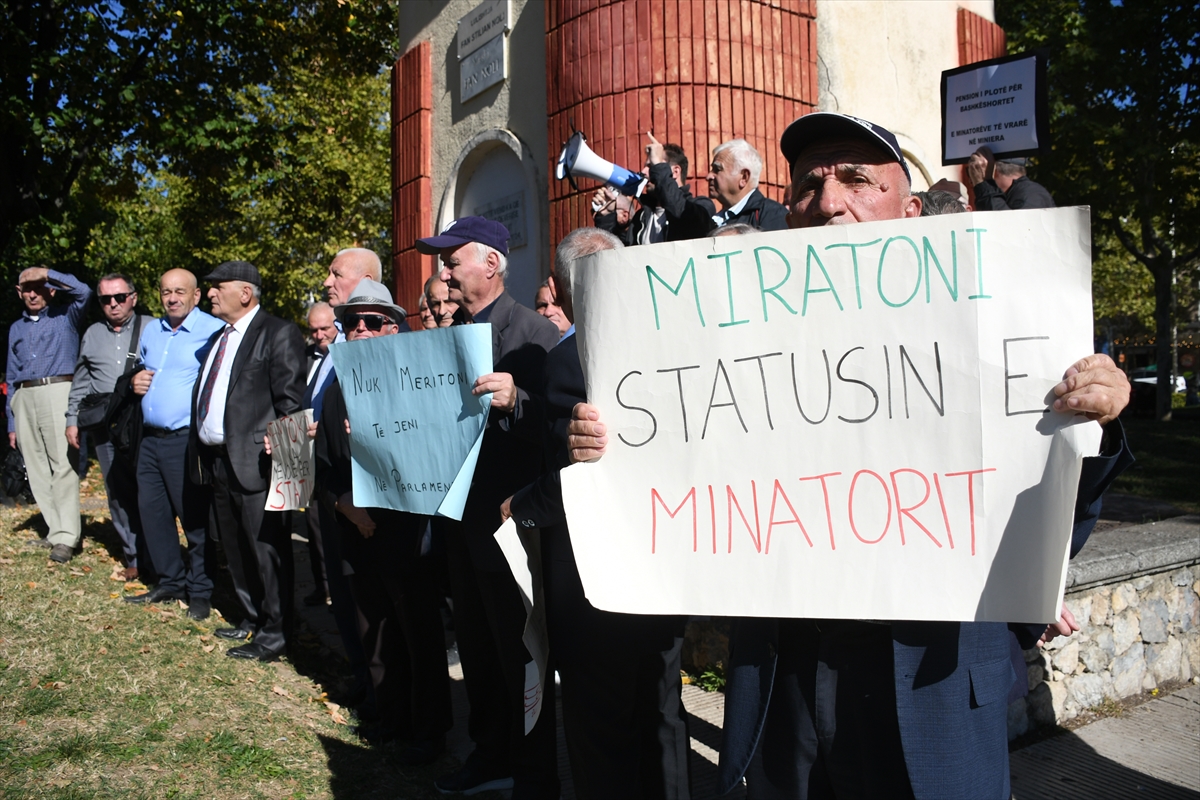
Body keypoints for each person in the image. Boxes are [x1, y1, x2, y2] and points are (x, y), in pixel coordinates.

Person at [567, 112, 1134, 799]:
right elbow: (680, 474)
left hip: (934, 694)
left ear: (912, 210)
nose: (829, 200)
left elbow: (1056, 528)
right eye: (809, 184)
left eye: (857, 179)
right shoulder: (737, 343)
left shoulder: (994, 325)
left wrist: (1095, 424)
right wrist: (612, 447)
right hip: (786, 696)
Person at [502, 227, 692, 799]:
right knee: (661, 714)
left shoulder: (566, 362)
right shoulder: (672, 345)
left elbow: (581, 475)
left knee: (601, 726)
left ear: (558, 290)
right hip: (663, 567)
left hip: (593, 583)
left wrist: (520, 507)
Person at [414, 216, 561, 798]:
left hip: (510, 528)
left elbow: (561, 428)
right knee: (476, 648)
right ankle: (491, 754)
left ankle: (534, 774)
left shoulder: (531, 334)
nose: (443, 271)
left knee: (518, 653)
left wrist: (516, 400)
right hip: (461, 521)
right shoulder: (452, 336)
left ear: (491, 265)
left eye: (453, 260)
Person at [313, 277, 451, 763]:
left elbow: (436, 453)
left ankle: (430, 731)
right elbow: (323, 466)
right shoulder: (333, 392)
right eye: (352, 323)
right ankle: (389, 716)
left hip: (405, 530)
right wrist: (343, 503)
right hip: (356, 529)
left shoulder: (417, 381)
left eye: (374, 322)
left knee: (417, 631)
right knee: (371, 627)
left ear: (394, 328)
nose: (362, 331)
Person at [188, 260, 305, 661]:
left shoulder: (278, 332)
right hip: (220, 461)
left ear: (245, 292)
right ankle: (252, 617)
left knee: (267, 550)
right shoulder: (222, 338)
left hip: (260, 463)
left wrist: (291, 475)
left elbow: (291, 402)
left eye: (218, 286)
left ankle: (276, 632)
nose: (209, 293)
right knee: (235, 547)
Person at [125, 268, 224, 617]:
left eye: (180, 291)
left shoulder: (213, 330)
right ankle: (170, 581)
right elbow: (140, 371)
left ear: (196, 296)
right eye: (166, 291)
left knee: (194, 517)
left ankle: (201, 590)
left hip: (185, 440)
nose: (172, 298)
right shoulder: (153, 331)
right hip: (149, 439)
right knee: (154, 514)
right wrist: (134, 380)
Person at [66, 274, 152, 579]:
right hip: (105, 423)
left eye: (119, 297)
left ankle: (158, 555)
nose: (113, 304)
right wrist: (71, 420)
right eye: (105, 299)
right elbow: (81, 380)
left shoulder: (153, 328)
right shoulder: (91, 334)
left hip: (143, 422)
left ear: (134, 297)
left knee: (149, 489)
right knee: (117, 491)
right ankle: (134, 557)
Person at [7, 266, 91, 563]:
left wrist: (46, 273)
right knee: (36, 465)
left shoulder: (65, 315)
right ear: (19, 293)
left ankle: (68, 536)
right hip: (24, 395)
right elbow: (12, 371)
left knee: (62, 463)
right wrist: (11, 419)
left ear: (51, 289)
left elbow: (84, 291)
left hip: (58, 390)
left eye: (38, 287)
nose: (32, 293)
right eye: (26, 288)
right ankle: (55, 531)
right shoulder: (16, 329)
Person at [593, 133, 715, 245]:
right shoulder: (641, 217)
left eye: (651, 166)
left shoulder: (702, 206)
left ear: (675, 171)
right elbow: (620, 254)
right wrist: (607, 217)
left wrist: (658, 165)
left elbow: (679, 210)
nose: (643, 172)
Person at [300, 301, 338, 606]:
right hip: (310, 455)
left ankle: (332, 588)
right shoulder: (312, 358)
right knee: (313, 524)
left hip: (333, 456)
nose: (319, 335)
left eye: (325, 328)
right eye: (313, 330)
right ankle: (323, 585)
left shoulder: (341, 355)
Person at [705, 138, 788, 232]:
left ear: (744, 177)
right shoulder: (714, 221)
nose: (708, 176)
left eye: (717, 169)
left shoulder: (772, 215)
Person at [966, 148, 1055, 211]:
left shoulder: (1032, 195)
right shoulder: (1026, 192)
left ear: (993, 171)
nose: (971, 184)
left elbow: (1009, 230)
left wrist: (984, 185)